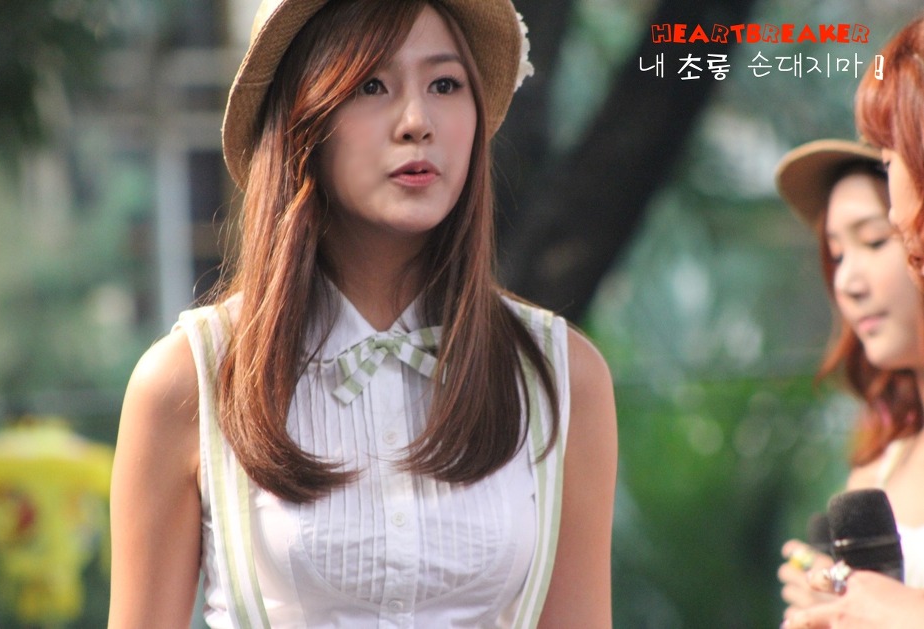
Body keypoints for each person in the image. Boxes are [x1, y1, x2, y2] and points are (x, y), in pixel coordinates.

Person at [107, 0, 618, 627]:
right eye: (371, 85)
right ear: (301, 119)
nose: (417, 122)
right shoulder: (189, 381)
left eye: (445, 84)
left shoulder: (560, 376)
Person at [781, 15, 924, 629]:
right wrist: (834, 606)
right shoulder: (878, 465)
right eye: (836, 255)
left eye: (872, 241)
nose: (848, 281)